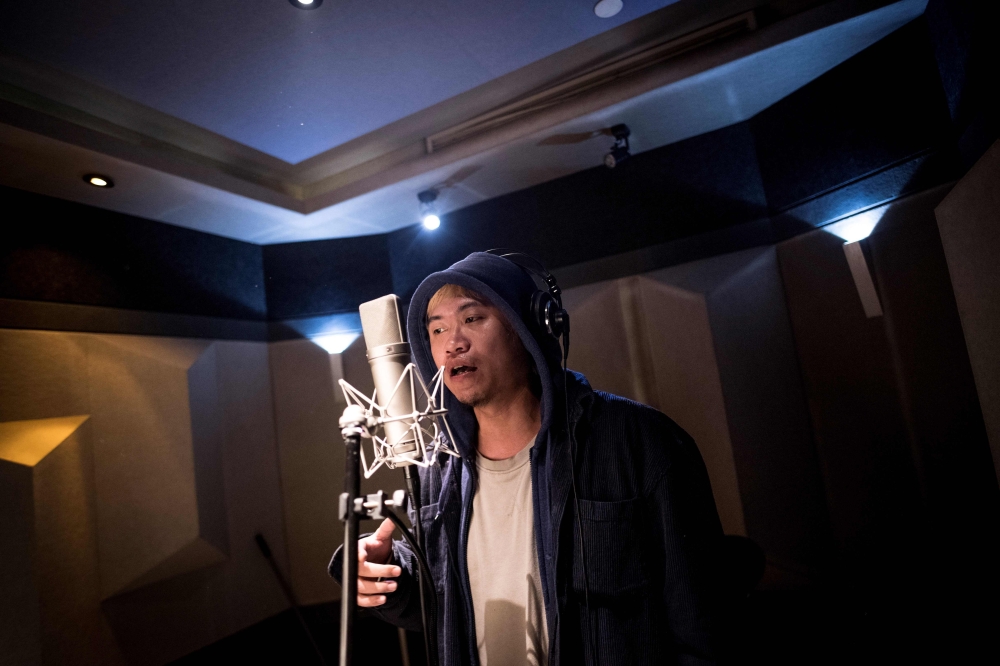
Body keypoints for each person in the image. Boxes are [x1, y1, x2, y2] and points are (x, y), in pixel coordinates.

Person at [330, 252, 723, 666]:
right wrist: (383, 572)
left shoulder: (640, 440)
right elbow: (442, 609)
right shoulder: (436, 469)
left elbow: (703, 623)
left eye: (473, 319)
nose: (452, 343)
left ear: (529, 326)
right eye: (437, 329)